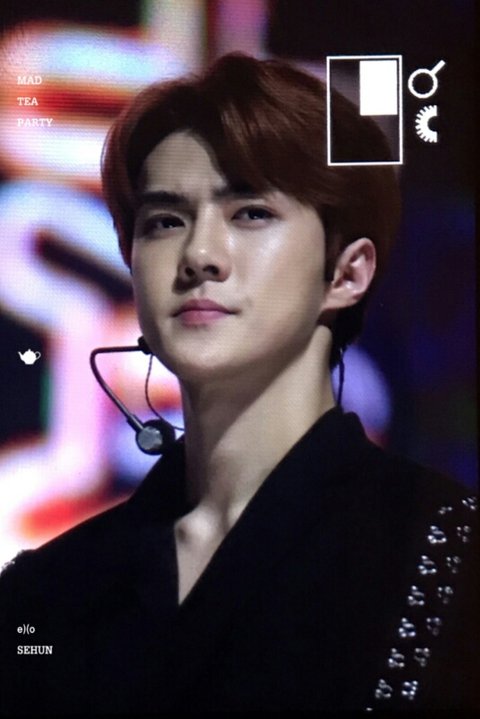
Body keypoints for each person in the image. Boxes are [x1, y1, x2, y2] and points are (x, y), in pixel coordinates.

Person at [0, 53, 477, 714]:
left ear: (347, 272)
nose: (199, 255)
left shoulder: (450, 555)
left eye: (250, 213)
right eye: (164, 221)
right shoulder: (45, 593)